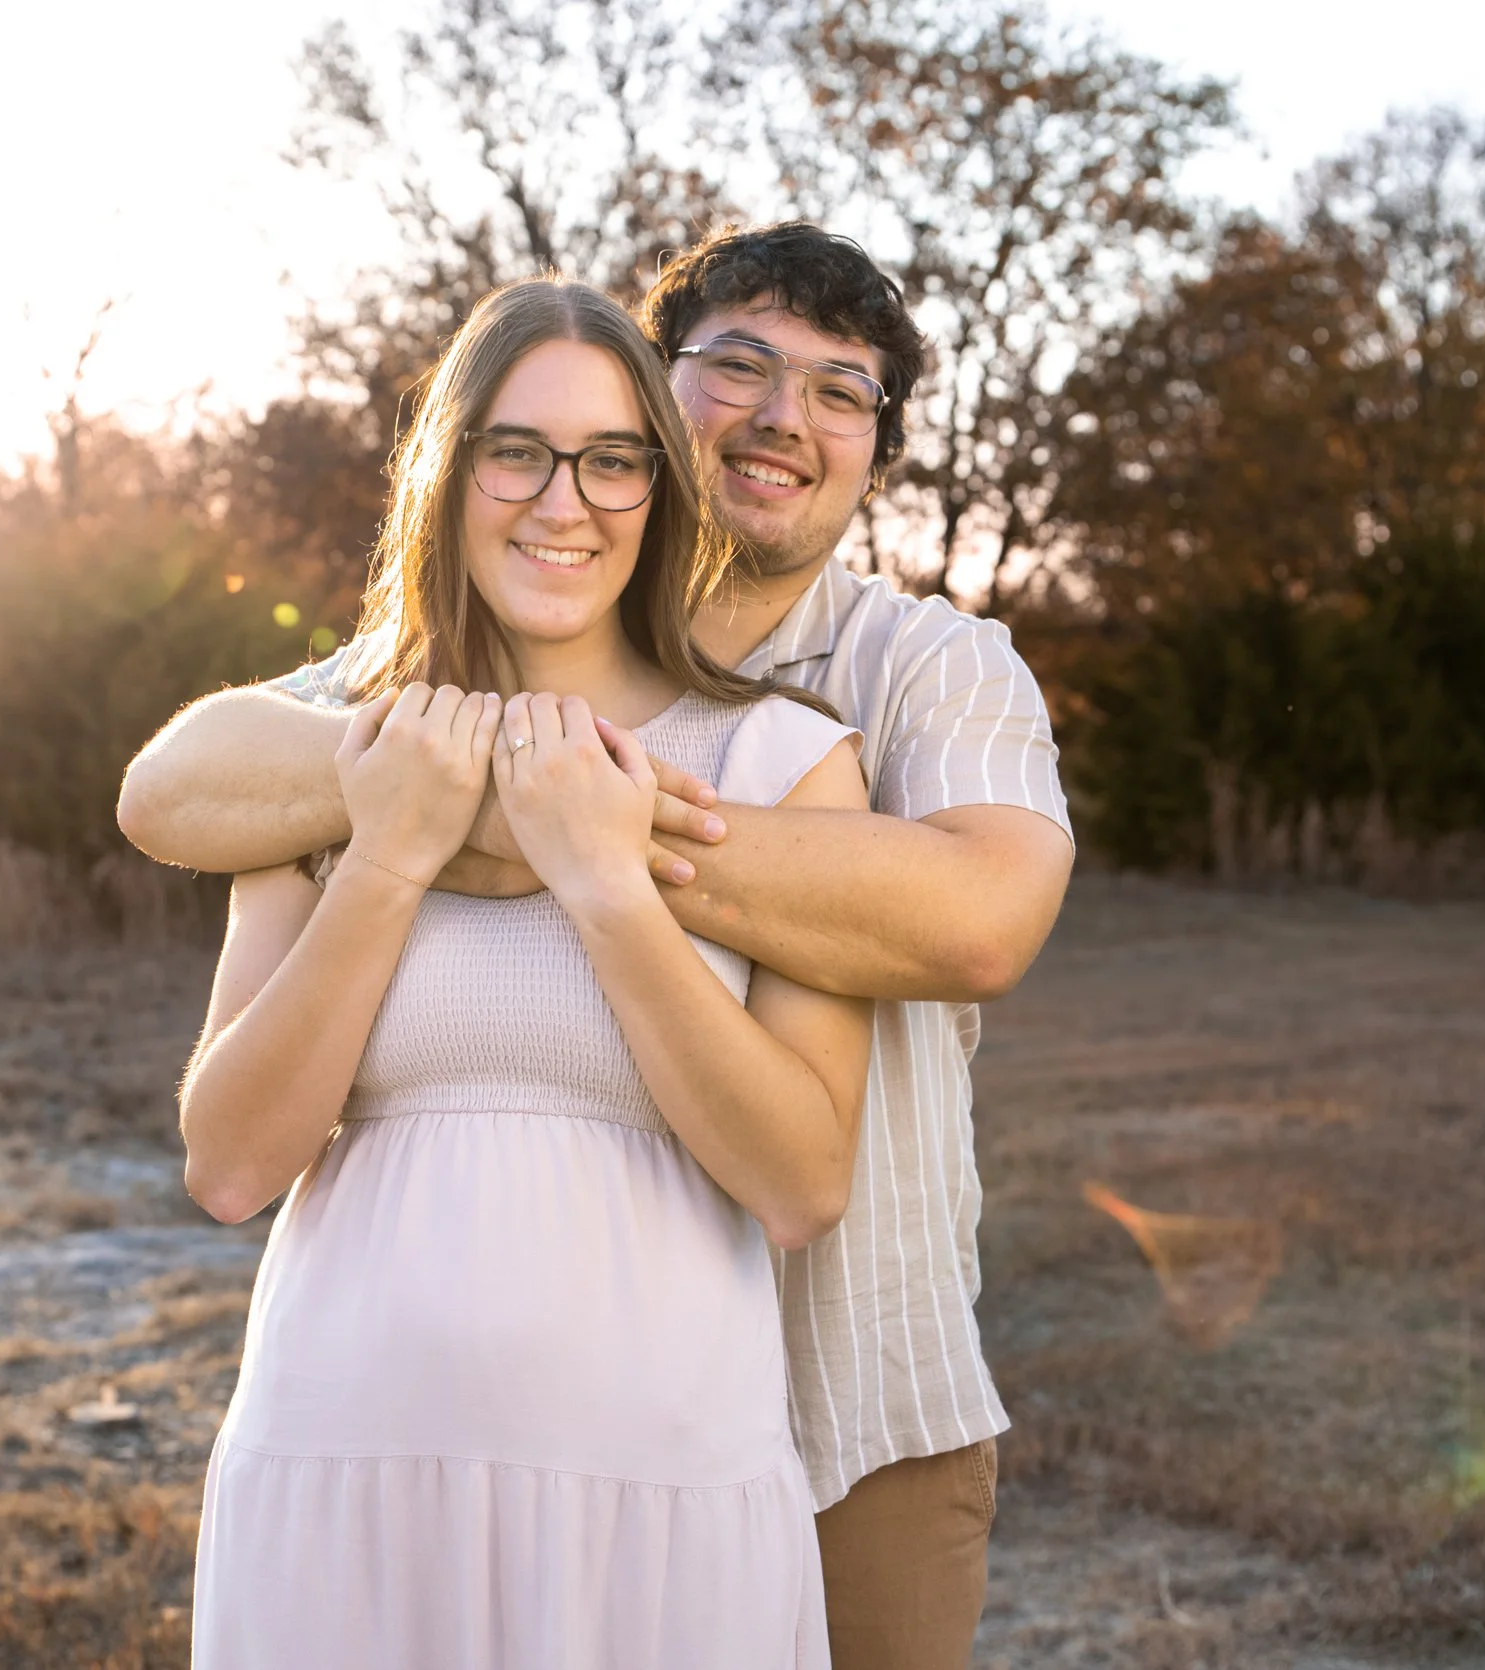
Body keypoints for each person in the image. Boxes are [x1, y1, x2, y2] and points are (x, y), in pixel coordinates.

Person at [124, 223, 1076, 1670]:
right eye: (739, 367)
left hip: (822, 1409)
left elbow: (979, 921)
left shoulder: (900, 682)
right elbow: (180, 788)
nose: (783, 418)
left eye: (841, 391)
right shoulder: (397, 716)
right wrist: (413, 820)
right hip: (358, 1460)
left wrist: (597, 843)